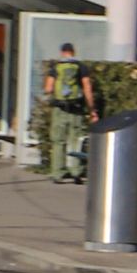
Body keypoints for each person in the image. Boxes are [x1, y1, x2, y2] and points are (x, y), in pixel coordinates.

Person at [42, 43, 95, 180]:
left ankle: (58, 173)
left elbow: (48, 89)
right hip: (76, 109)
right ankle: (76, 171)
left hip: (59, 109)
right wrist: (92, 110)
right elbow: (87, 88)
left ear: (62, 53)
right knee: (76, 140)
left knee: (58, 141)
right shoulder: (81, 67)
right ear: (74, 52)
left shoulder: (56, 67)